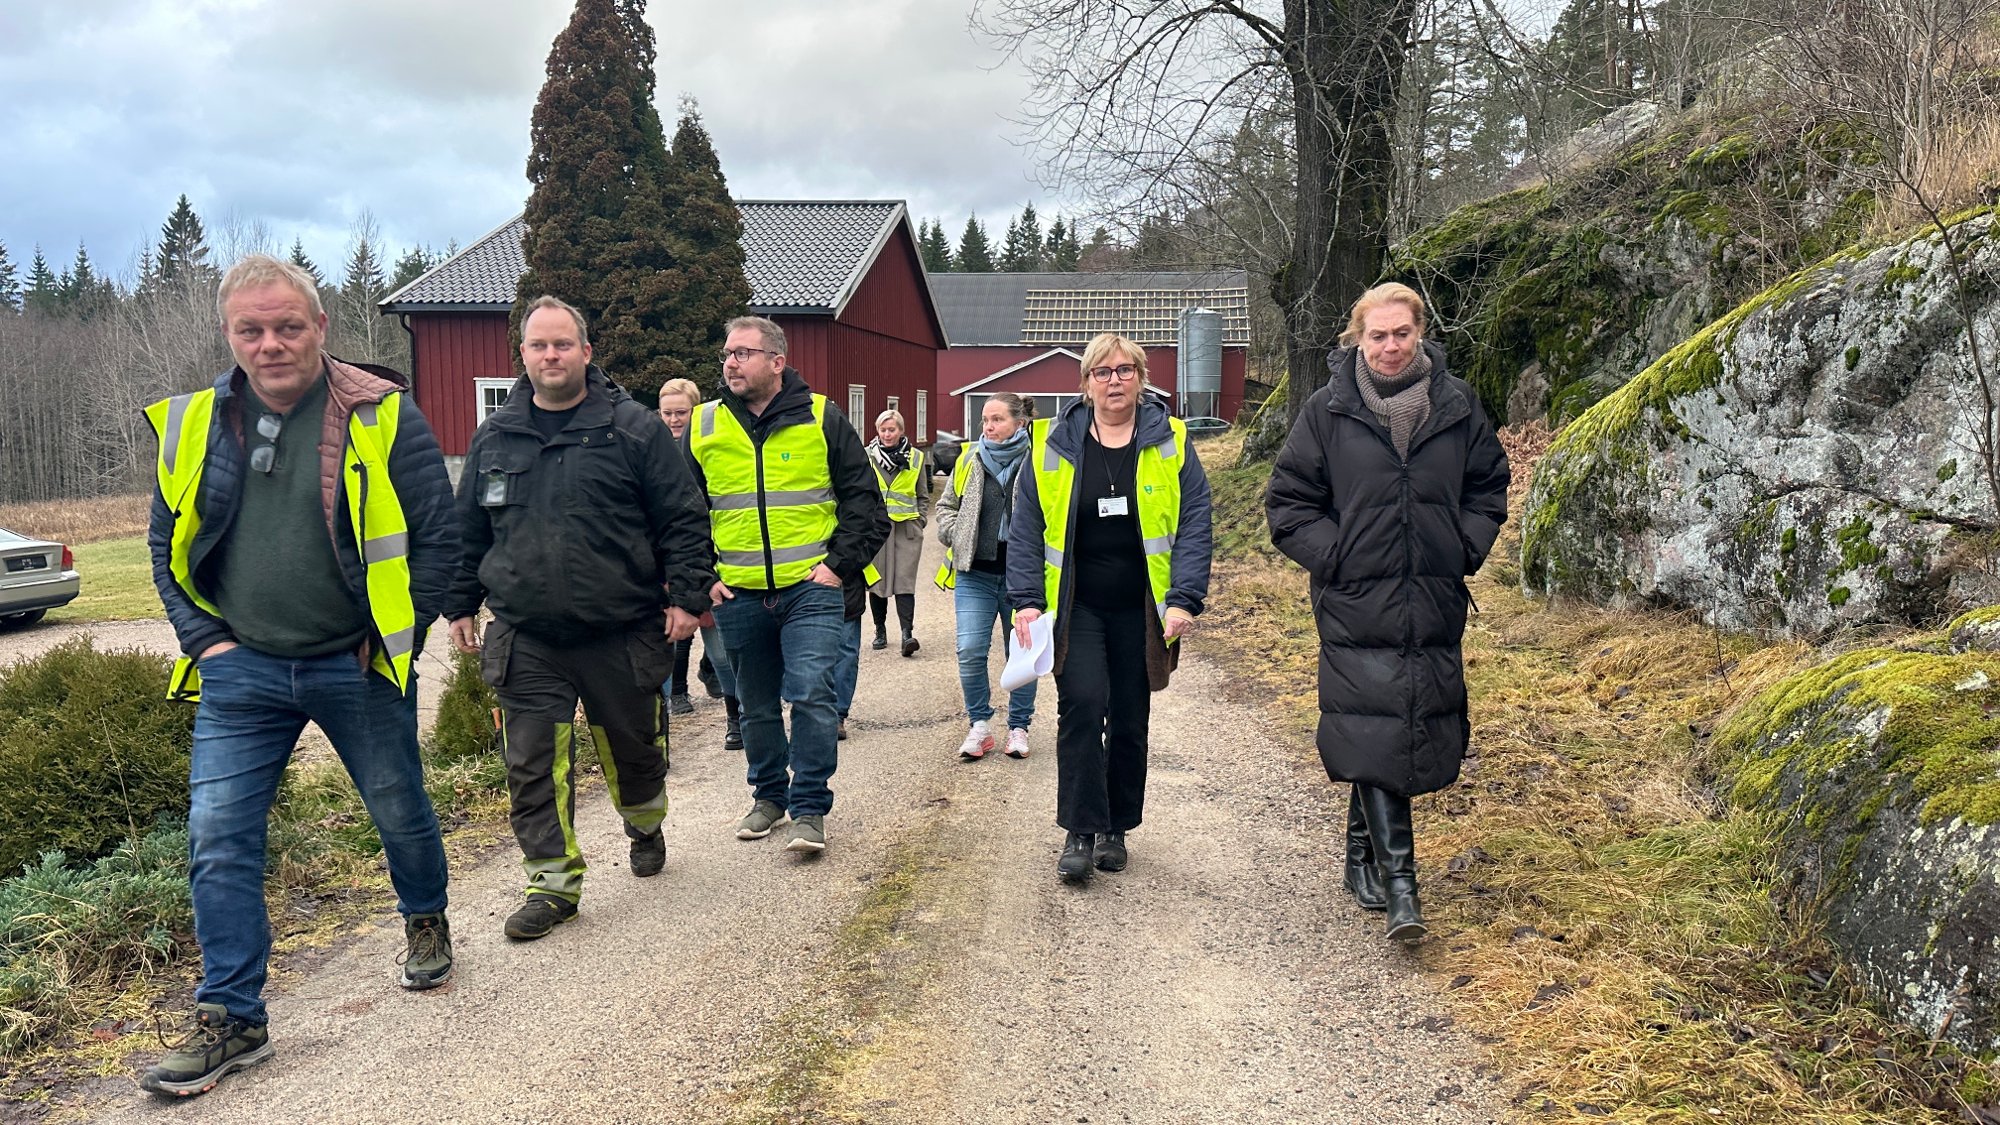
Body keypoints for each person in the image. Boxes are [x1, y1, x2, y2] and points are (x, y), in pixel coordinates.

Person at [140, 253, 459, 1096]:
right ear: (229, 334)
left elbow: (438, 540)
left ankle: (425, 918)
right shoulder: (194, 423)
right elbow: (165, 549)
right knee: (217, 835)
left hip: (355, 663)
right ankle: (233, 1014)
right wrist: (205, 640)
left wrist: (397, 634)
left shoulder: (383, 415)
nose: (272, 343)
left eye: (288, 325)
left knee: (398, 807)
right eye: (252, 329)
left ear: (321, 325)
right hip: (241, 670)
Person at [446, 296, 715, 941]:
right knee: (532, 760)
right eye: (538, 346)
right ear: (523, 356)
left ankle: (644, 822)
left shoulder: (634, 429)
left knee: (635, 752)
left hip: (619, 627)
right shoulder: (496, 436)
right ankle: (552, 881)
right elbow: (467, 530)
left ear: (586, 352)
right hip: (526, 632)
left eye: (562, 344)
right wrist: (458, 602)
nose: (550, 356)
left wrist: (687, 596)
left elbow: (682, 517)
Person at [1265, 282, 1510, 943]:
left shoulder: (1456, 406)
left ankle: (1359, 858)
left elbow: (1489, 485)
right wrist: (1336, 554)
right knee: (1377, 715)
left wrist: (1461, 545)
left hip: (1430, 592)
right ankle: (1403, 885)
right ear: (1357, 338)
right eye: (1378, 335)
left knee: (1390, 718)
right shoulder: (1327, 410)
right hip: (1355, 597)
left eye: (1402, 332)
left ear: (1420, 332)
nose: (1391, 345)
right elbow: (1288, 504)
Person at [1009, 334, 1213, 883]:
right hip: (1077, 606)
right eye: (1102, 372)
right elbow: (1026, 526)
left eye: (1125, 370)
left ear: (1142, 378)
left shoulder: (1170, 438)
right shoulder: (1050, 440)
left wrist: (1184, 598)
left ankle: (1116, 825)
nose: (1114, 380)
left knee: (1129, 715)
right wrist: (1027, 599)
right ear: (1085, 383)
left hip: (1142, 608)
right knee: (1081, 704)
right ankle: (1079, 828)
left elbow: (1195, 520)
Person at [687, 316, 888, 854]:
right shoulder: (704, 426)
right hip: (738, 594)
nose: (730, 362)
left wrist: (837, 567)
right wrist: (701, 579)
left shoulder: (822, 417)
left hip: (810, 590)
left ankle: (809, 807)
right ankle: (769, 796)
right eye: (727, 353)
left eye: (743, 353)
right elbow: (679, 513)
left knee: (811, 694)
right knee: (753, 704)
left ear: (777, 362)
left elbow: (866, 503)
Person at [937, 392, 1037, 761]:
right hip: (975, 574)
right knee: (970, 649)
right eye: (985, 420)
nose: (989, 427)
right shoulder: (969, 459)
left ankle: (1019, 727)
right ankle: (979, 725)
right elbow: (946, 507)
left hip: (1022, 578)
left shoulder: (1038, 461)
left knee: (1021, 656)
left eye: (997, 419)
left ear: (1019, 422)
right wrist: (957, 530)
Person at [657, 377, 741, 750]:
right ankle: (667, 710)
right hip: (667, 560)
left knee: (720, 646)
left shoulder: (710, 446)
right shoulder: (649, 449)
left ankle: (734, 714)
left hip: (710, 557)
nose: (675, 420)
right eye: (668, 413)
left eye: (682, 412)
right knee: (671, 637)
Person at [865, 409, 930, 656]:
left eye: (892, 429)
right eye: (883, 429)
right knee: (877, 581)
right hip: (876, 530)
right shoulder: (867, 456)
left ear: (901, 431)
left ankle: (907, 634)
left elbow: (923, 495)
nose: (887, 434)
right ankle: (880, 630)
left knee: (905, 581)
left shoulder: (915, 458)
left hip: (906, 529)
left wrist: (921, 520)